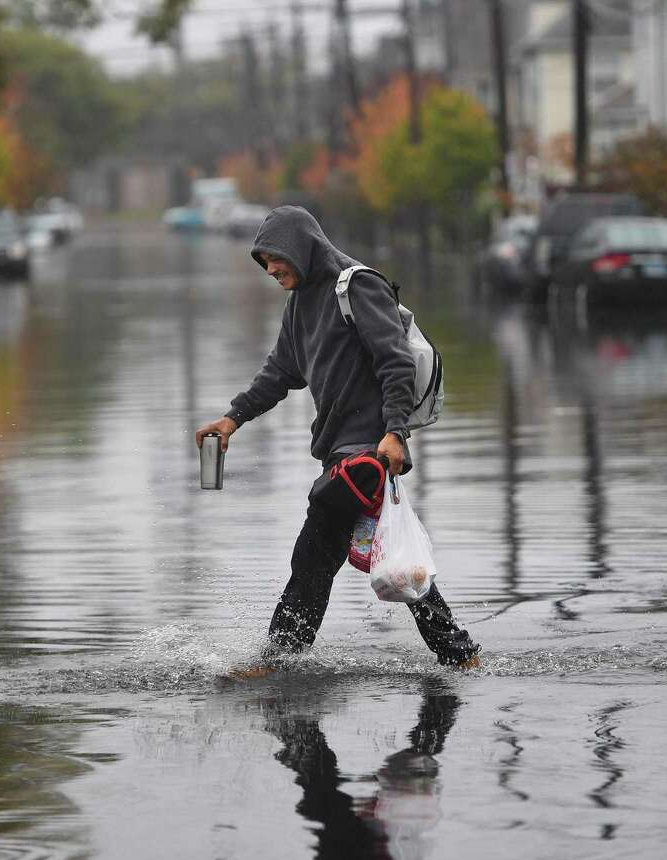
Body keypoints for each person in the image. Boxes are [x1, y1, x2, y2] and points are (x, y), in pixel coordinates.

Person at [195, 205, 479, 667]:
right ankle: (460, 655)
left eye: (275, 258)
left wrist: (395, 432)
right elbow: (279, 373)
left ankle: (277, 661)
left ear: (300, 247)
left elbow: (395, 362)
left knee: (312, 559)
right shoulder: (299, 305)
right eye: (263, 262)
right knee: (397, 567)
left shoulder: (358, 286)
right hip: (341, 454)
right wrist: (233, 419)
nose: (270, 269)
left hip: (367, 452)